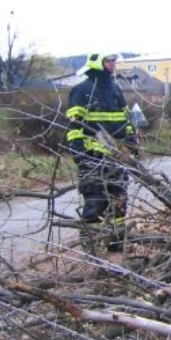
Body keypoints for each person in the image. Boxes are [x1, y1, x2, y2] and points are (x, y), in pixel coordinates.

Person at [66, 52, 139, 249]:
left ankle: (116, 242)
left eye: (114, 61)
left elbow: (126, 120)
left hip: (117, 156)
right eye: (109, 61)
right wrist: (79, 152)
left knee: (119, 200)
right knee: (95, 201)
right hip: (92, 156)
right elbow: (74, 126)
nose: (113, 64)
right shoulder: (81, 91)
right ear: (97, 63)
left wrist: (132, 143)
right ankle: (92, 244)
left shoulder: (115, 89)